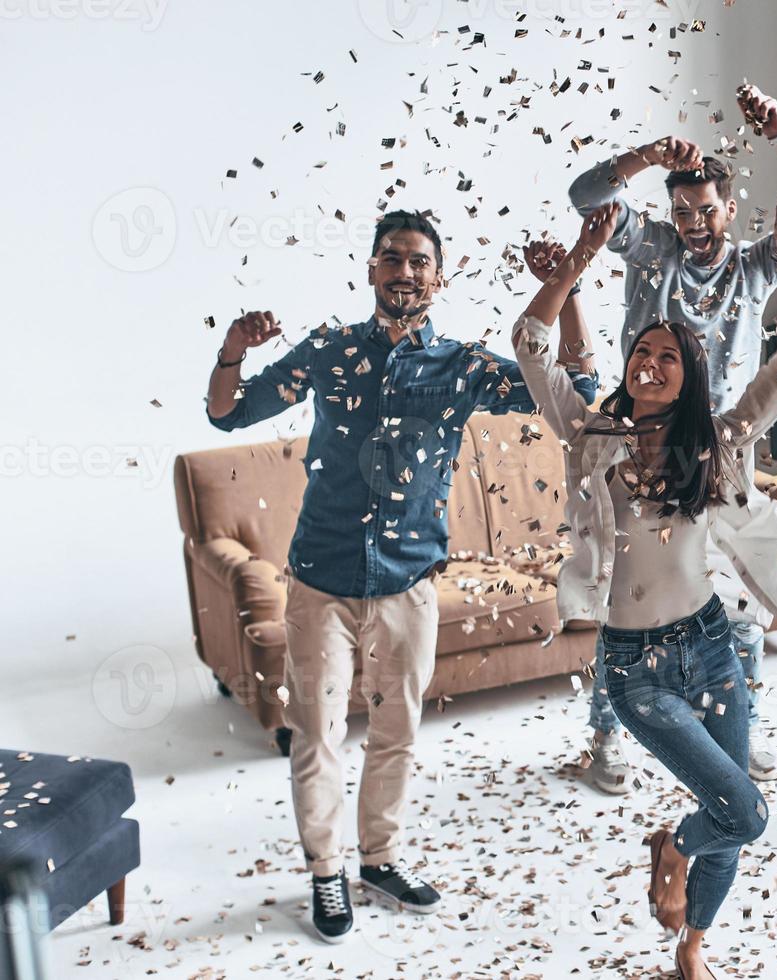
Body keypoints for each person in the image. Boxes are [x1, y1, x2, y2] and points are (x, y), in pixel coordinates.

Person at [204, 210, 597, 944]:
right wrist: (232, 350)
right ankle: (327, 872)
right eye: (392, 258)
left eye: (420, 260)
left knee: (396, 731)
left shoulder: (463, 366)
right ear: (371, 271)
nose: (405, 271)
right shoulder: (327, 352)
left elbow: (576, 388)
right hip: (321, 578)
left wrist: (564, 287)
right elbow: (227, 413)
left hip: (409, 580)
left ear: (438, 278)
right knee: (317, 735)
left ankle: (379, 859)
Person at [513, 198, 777, 980]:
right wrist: (577, 262)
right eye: (640, 350)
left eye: (667, 356)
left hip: (712, 648)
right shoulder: (590, 434)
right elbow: (532, 345)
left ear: (689, 378)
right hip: (634, 666)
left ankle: (692, 944)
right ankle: (675, 846)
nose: (648, 361)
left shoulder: (718, 439)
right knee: (742, 811)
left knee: (734, 812)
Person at [567, 83, 777, 792]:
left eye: (706, 210)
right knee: (630, 597)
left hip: (721, 447)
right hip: (641, 441)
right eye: (682, 210)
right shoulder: (650, 248)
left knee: (738, 600)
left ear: (728, 209)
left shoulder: (754, 267)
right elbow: (584, 197)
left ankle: (734, 730)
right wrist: (646, 156)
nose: (694, 222)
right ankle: (606, 736)